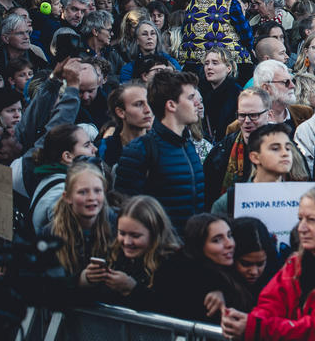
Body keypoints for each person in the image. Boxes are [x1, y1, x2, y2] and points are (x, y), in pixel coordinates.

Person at [220, 186, 315, 340]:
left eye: (312, 220)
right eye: (300, 219)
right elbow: (269, 304)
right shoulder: (295, 264)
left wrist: (257, 327)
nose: (301, 228)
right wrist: (251, 322)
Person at [114, 68, 205, 230]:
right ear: (171, 105)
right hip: (159, 249)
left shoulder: (188, 145)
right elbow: (127, 209)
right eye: (190, 98)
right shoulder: (141, 150)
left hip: (190, 248)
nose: (196, 104)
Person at [152, 213, 255, 322]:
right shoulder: (193, 286)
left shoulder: (233, 267)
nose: (230, 244)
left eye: (229, 235)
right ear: (199, 246)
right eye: (217, 240)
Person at [87, 194, 180, 308]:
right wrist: (88, 279)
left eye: (135, 236)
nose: (127, 242)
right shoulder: (112, 253)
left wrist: (132, 289)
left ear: (155, 234)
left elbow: (170, 307)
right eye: (122, 233)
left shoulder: (173, 263)